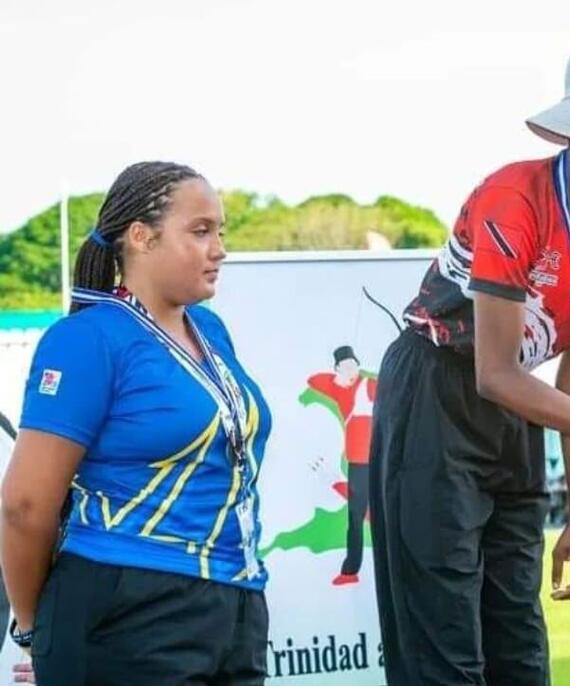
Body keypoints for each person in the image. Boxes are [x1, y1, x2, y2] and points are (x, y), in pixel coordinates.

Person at [369, 38, 570, 685]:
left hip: (517, 413)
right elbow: (494, 371)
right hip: (437, 393)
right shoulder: (513, 196)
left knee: (518, 641)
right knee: (445, 645)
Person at [1, 162, 273, 685]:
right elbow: (24, 505)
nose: (219, 249)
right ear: (141, 237)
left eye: (220, 232)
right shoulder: (87, 339)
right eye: (200, 231)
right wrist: (37, 631)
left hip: (235, 601)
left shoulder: (210, 330)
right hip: (128, 608)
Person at [305, 345, 377, 585]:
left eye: (353, 365)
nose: (351, 369)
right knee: (357, 516)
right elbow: (313, 380)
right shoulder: (340, 390)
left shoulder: (370, 386)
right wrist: (339, 381)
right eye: (345, 366)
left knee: (382, 513)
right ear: (337, 369)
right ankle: (350, 571)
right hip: (357, 461)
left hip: (380, 459)